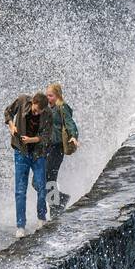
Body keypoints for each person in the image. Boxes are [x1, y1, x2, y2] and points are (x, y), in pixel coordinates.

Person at [4, 91, 52, 237]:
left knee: (41, 186)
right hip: (21, 152)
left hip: (38, 154)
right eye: (36, 110)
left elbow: (47, 137)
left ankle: (42, 219)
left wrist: (32, 140)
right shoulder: (22, 100)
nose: (37, 114)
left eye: (40, 112)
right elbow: (7, 112)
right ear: (33, 103)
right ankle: (20, 226)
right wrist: (11, 126)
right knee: (20, 190)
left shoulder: (48, 113)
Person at [44, 82, 80, 217]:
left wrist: (73, 136)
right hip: (47, 148)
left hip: (57, 148)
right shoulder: (48, 108)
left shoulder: (62, 107)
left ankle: (54, 209)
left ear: (58, 95)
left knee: (50, 178)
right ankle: (61, 199)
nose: (48, 98)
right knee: (38, 181)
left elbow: (70, 123)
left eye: (51, 96)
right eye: (47, 95)